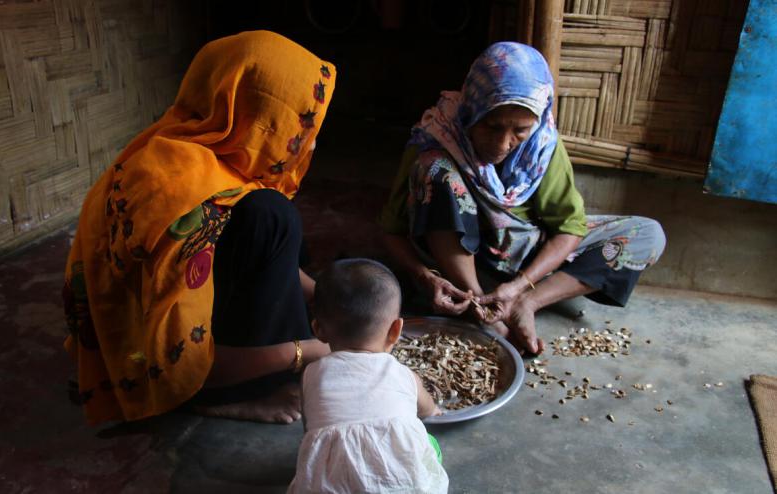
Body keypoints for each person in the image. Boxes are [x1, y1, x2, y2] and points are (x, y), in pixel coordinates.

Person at [63, 31, 337, 425]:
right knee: (274, 217)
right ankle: (216, 399)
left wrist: (332, 298)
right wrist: (307, 351)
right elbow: (177, 360)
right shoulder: (185, 197)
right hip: (149, 364)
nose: (307, 146)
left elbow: (261, 258)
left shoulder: (191, 148)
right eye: (297, 126)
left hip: (152, 332)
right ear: (255, 115)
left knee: (272, 219)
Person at [379, 42, 666, 354]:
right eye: (492, 125)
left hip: (523, 259)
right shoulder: (437, 134)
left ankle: (524, 305)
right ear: (472, 109)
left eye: (520, 130)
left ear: (537, 122)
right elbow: (391, 231)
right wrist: (422, 276)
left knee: (648, 234)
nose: (503, 143)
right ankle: (479, 305)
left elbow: (570, 228)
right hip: (457, 264)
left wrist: (521, 287)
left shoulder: (543, 147)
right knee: (434, 168)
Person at [288, 258, 448, 494]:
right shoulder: (403, 374)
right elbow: (426, 409)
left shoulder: (312, 374)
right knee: (429, 445)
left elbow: (311, 432)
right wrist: (433, 410)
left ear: (318, 329)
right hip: (402, 486)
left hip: (329, 486)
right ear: (396, 330)